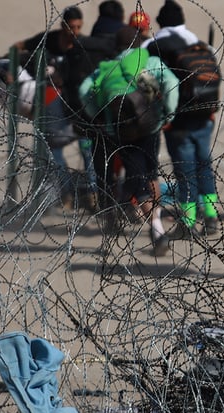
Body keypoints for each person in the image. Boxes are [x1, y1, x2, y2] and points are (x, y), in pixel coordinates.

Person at [78, 26, 179, 256]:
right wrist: (168, 113)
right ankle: (157, 224)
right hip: (150, 124)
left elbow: (85, 91)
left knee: (137, 177)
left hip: (121, 129)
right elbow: (172, 83)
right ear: (137, 44)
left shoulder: (106, 68)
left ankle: (157, 229)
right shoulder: (147, 60)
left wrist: (99, 114)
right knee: (151, 173)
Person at [144, 0, 221, 238]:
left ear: (160, 22)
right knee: (204, 166)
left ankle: (187, 222)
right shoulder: (196, 42)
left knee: (185, 170)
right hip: (204, 115)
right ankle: (210, 215)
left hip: (177, 119)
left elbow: (150, 79)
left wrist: (162, 115)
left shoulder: (152, 45)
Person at [13, 5, 99, 211]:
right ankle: (66, 191)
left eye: (79, 27)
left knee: (87, 150)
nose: (75, 32)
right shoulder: (49, 40)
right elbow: (18, 47)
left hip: (79, 106)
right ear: (63, 26)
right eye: (71, 27)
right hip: (54, 105)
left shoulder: (83, 46)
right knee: (55, 151)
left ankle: (93, 194)